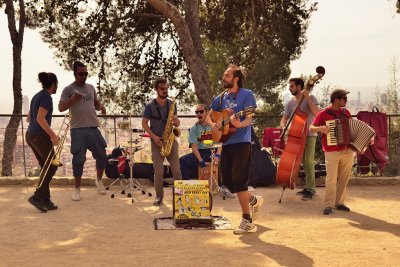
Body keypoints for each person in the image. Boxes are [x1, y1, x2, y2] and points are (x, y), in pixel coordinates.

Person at [205, 64, 264, 234]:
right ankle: (253, 200)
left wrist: (240, 123)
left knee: (239, 181)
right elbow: (209, 116)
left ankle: (247, 220)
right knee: (229, 183)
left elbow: (249, 118)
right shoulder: (221, 98)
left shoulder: (246, 94)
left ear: (236, 79)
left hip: (242, 142)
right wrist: (214, 126)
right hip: (226, 143)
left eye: (227, 75)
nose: (224, 78)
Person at [59, 61, 108, 201]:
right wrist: (73, 99)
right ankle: (77, 189)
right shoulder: (68, 89)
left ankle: (99, 180)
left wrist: (102, 107)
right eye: (81, 74)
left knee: (102, 155)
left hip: (93, 127)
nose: (84, 76)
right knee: (78, 160)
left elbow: (95, 103)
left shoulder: (91, 88)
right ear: (75, 74)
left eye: (86, 73)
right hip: (77, 130)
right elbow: (61, 108)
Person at [310, 89, 353, 215]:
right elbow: (311, 128)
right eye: (344, 98)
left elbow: (351, 129)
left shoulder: (346, 113)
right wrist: (320, 128)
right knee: (331, 179)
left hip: (347, 150)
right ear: (336, 100)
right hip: (331, 151)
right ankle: (328, 205)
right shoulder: (323, 114)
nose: (346, 100)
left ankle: (339, 203)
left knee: (344, 179)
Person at [142, 77, 182, 206]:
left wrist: (177, 122)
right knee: (158, 172)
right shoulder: (150, 106)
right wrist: (153, 137)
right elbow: (144, 123)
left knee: (176, 170)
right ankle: (159, 197)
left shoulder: (172, 104)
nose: (165, 91)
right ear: (156, 89)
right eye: (162, 89)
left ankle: (180, 196)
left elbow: (175, 120)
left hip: (170, 140)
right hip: (157, 141)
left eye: (167, 88)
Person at [279, 78, 319, 200]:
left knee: (308, 161)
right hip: (296, 134)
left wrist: (307, 97)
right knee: (302, 162)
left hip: (310, 133)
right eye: (289, 86)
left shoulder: (311, 98)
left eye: (292, 86)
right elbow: (285, 117)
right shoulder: (290, 102)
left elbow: (317, 113)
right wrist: (283, 126)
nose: (289, 88)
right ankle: (307, 186)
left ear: (299, 87)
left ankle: (311, 189)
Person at [26, 72, 60, 212]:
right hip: (39, 136)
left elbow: (29, 118)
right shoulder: (46, 97)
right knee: (52, 166)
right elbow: (40, 118)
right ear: (53, 84)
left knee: (46, 166)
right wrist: (53, 136)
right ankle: (37, 197)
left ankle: (46, 199)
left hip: (30, 135)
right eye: (57, 84)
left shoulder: (37, 96)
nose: (57, 86)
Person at [179, 104, 222, 179]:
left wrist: (218, 155)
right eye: (197, 112)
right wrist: (200, 160)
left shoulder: (214, 125)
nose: (199, 114)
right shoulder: (194, 128)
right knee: (182, 161)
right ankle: (186, 186)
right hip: (200, 152)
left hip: (213, 151)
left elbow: (220, 142)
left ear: (207, 113)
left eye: (201, 111)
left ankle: (221, 187)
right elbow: (194, 147)